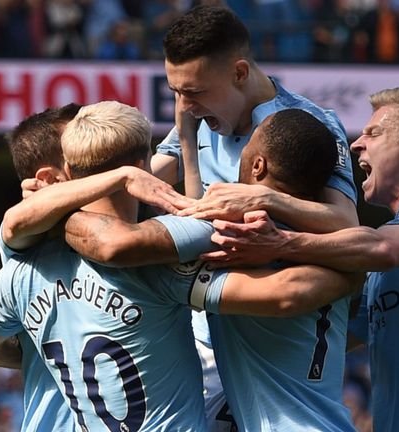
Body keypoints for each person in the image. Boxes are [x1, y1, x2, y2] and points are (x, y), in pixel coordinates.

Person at [0, 101, 357, 431]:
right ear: (142, 165)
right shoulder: (159, 266)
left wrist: (39, 350)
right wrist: (355, 268)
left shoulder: (19, 269)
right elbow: (286, 293)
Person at [197, 87, 399, 431]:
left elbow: (381, 249)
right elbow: (332, 335)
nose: (358, 143)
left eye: (374, 133)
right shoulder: (391, 261)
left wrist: (280, 240)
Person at [148, 6, 361, 428]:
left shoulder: (304, 124)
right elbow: (149, 178)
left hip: (274, 334)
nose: (185, 106)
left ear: (240, 73)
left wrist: (262, 200)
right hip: (206, 332)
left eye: (194, 91)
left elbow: (345, 225)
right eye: (177, 92)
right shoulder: (196, 120)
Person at [0, 103, 82, 432]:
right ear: (49, 178)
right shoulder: (27, 244)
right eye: (83, 145)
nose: (100, 149)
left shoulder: (129, 232)